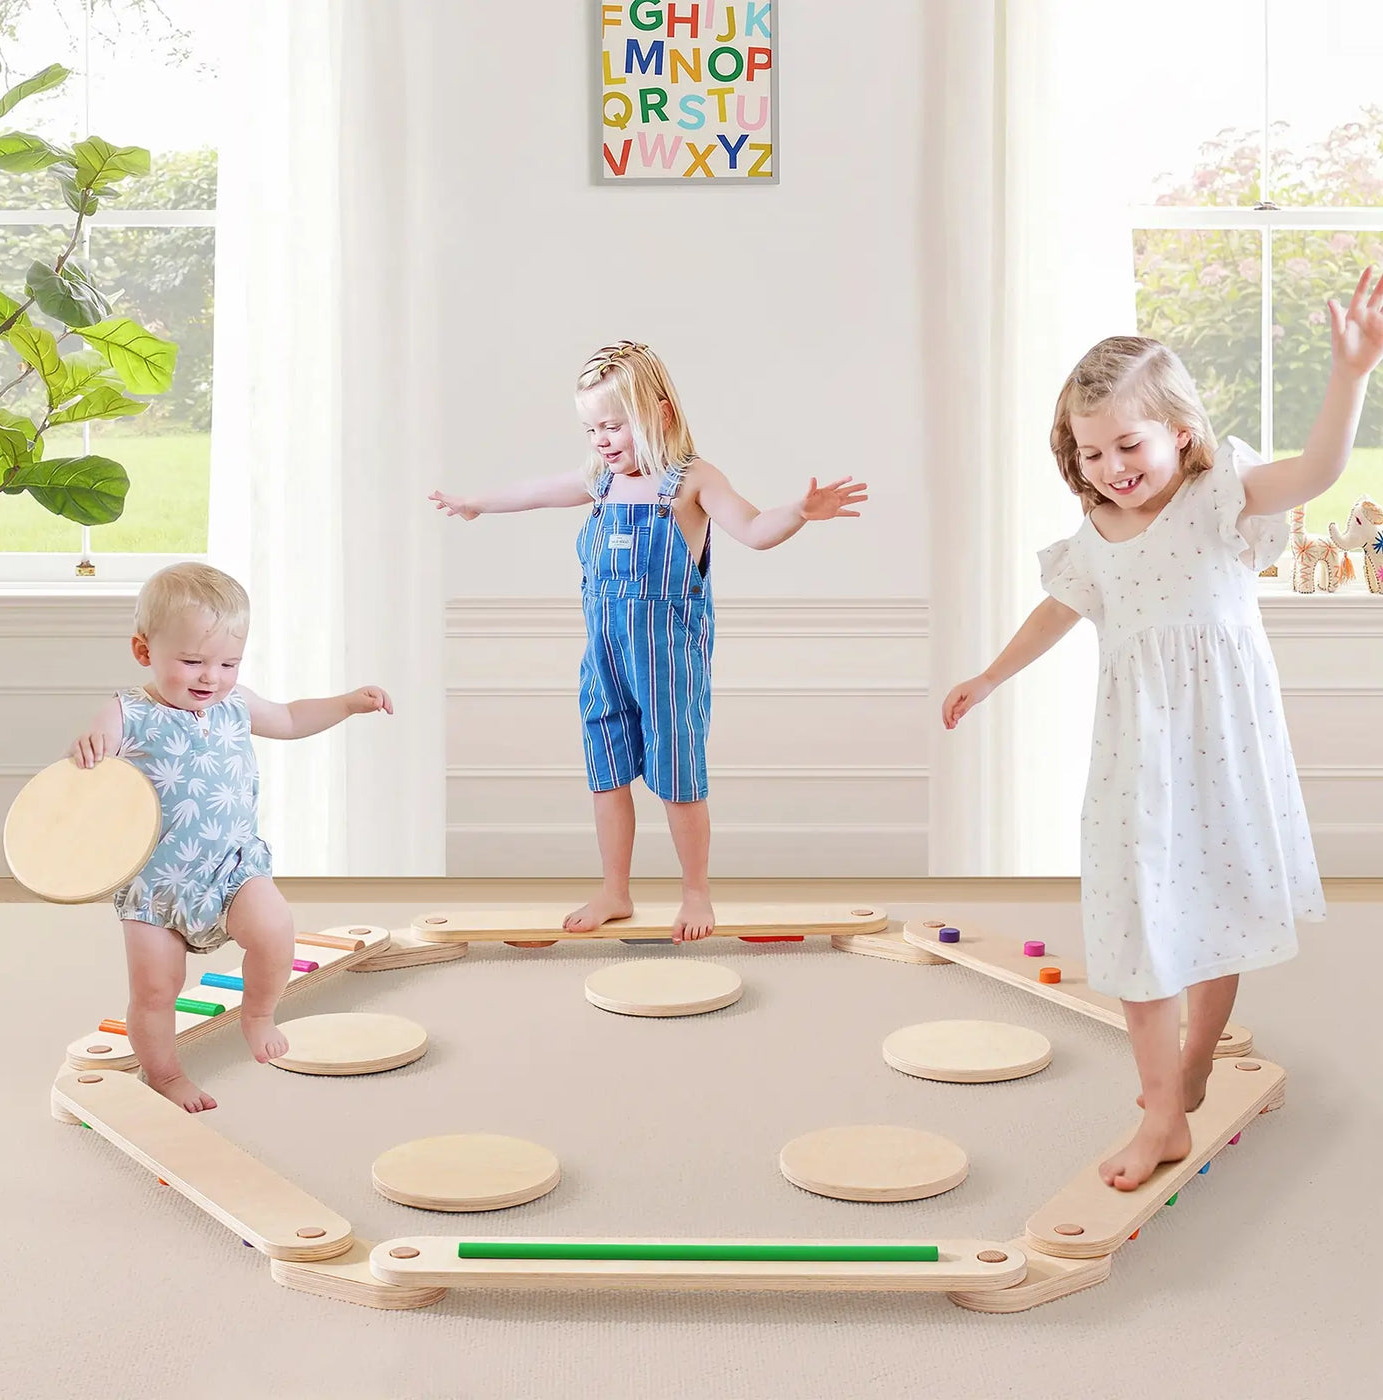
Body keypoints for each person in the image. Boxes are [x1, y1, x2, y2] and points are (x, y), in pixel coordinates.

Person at [942, 267, 1383, 1190]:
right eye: (1090, 453)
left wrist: (1350, 378)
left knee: (1214, 905)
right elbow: (1056, 614)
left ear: (1182, 431)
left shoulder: (1219, 501)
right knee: (1138, 914)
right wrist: (990, 675)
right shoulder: (1094, 538)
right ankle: (1159, 1112)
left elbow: (1320, 472)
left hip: (1225, 748)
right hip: (1136, 756)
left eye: (1128, 445)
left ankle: (1190, 1070)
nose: (1111, 469)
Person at [430, 340, 866, 942]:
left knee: (679, 773)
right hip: (605, 656)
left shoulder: (692, 480)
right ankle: (615, 889)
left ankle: (695, 892)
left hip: (668, 659)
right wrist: (474, 503)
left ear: (658, 413)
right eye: (590, 429)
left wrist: (798, 510)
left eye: (613, 425)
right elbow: (534, 492)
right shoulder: (600, 483)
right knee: (606, 769)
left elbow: (755, 529)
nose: (602, 441)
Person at [70, 562, 392, 1112]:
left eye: (227, 663)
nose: (210, 677)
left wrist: (345, 704)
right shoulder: (129, 713)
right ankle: (166, 1075)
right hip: (157, 885)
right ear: (144, 651)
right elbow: (92, 765)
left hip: (232, 867)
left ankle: (259, 1012)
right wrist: (90, 751)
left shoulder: (234, 702)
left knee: (275, 929)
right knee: (154, 993)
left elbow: (289, 718)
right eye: (192, 661)